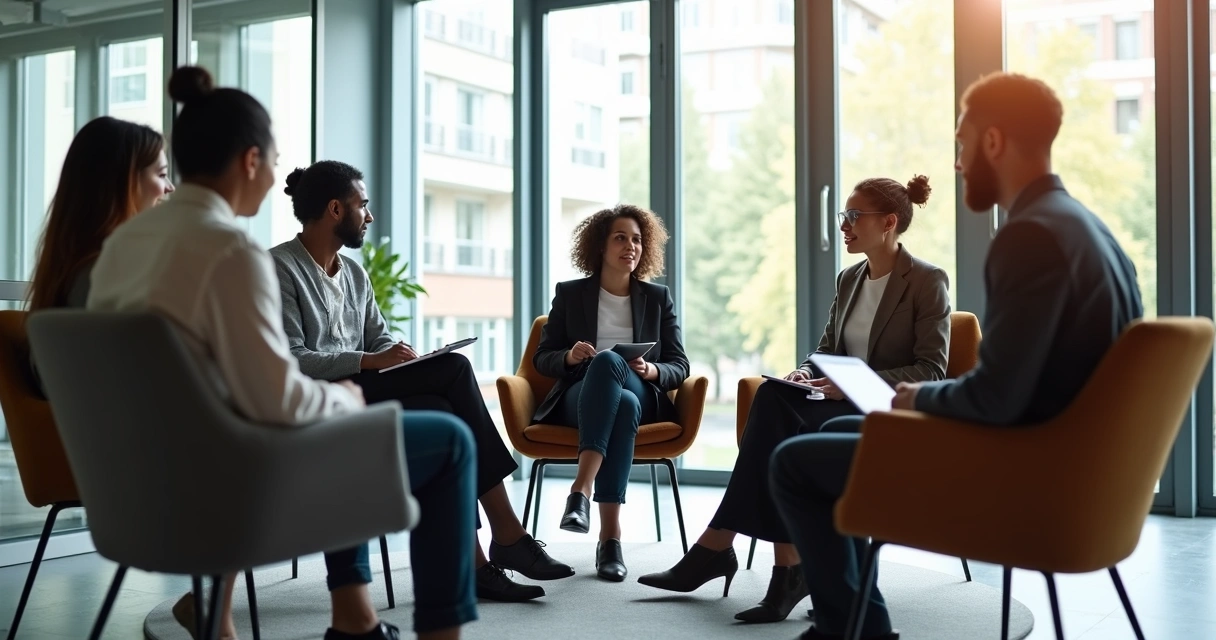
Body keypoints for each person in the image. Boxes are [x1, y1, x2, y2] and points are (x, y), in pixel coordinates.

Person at [87, 66, 476, 640]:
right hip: (230, 483)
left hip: (133, 490)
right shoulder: (229, 251)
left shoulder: (121, 247)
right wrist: (345, 398)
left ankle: (356, 620)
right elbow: (277, 399)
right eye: (271, 163)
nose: (275, 179)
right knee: (450, 441)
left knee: (348, 427)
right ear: (249, 161)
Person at [770, 72, 1144, 640]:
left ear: (993, 142)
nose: (958, 163)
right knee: (846, 427)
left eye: (961, 144)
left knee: (794, 465)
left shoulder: (1031, 236)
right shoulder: (1092, 231)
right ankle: (855, 626)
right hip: (1079, 477)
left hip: (1022, 474)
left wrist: (914, 395)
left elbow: (995, 396)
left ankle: (853, 630)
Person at [638, 176, 951, 624]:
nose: (844, 224)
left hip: (882, 411)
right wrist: (807, 371)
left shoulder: (925, 280)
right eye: (843, 215)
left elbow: (931, 369)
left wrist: (851, 384)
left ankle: (721, 548)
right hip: (836, 398)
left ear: (889, 222)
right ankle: (782, 567)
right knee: (772, 396)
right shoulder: (850, 279)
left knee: (788, 429)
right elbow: (826, 348)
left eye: (853, 215)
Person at [269, 160, 573, 602]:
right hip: (324, 403)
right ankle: (509, 535)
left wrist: (402, 357)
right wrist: (372, 360)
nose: (369, 217)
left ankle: (475, 567)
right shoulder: (279, 267)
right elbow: (293, 359)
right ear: (335, 209)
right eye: (363, 206)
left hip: (366, 392)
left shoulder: (354, 274)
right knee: (454, 370)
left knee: (445, 413)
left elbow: (379, 338)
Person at [532, 204, 690, 582]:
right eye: (620, 238)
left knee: (613, 369)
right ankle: (610, 540)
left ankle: (581, 492)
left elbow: (680, 365)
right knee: (621, 398)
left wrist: (651, 368)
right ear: (600, 247)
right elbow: (542, 358)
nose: (630, 246)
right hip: (582, 397)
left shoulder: (657, 297)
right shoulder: (570, 294)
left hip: (642, 388)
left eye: (637, 239)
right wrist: (569, 356)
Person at [26, 116, 173, 391]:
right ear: (124, 183)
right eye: (162, 174)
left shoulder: (73, 270)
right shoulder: (106, 276)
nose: (170, 188)